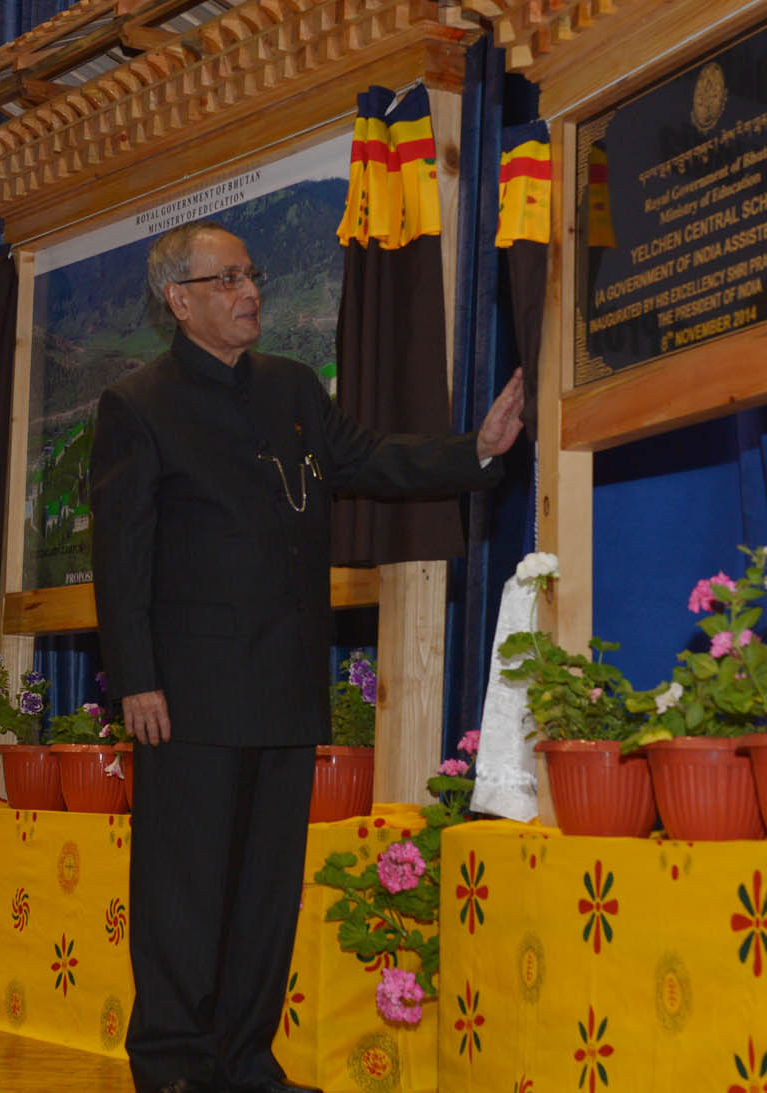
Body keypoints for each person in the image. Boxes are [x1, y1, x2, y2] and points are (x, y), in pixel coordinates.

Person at [91, 220, 526, 1093]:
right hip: (186, 697)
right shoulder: (137, 404)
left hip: (284, 683)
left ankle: (245, 1058)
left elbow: (366, 459)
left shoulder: (289, 386)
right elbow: (121, 556)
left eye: (251, 276)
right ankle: (174, 1065)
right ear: (178, 300)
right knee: (184, 893)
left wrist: (474, 450)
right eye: (225, 281)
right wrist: (135, 676)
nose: (249, 293)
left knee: (261, 891)